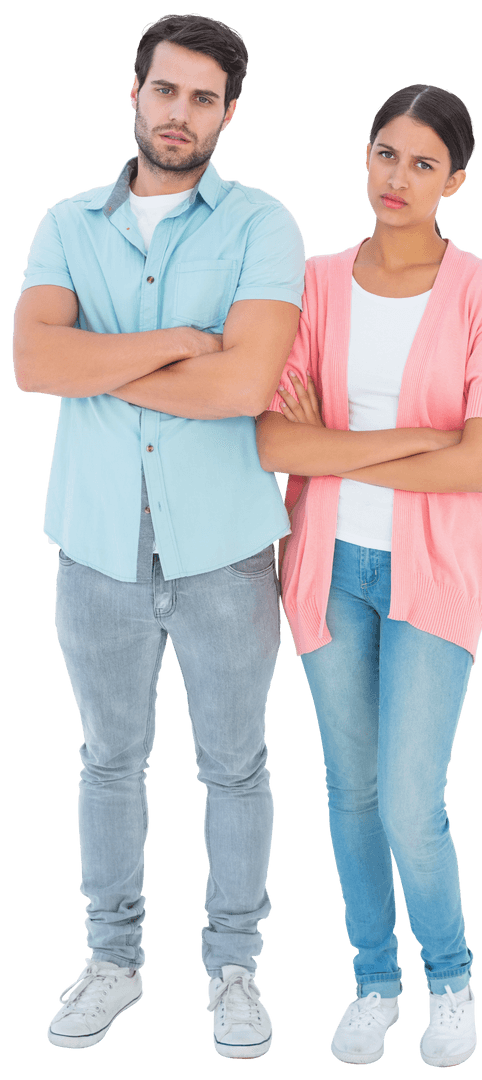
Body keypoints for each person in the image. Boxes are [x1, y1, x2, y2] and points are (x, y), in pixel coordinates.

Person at [13, 13, 305, 1057]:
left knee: (234, 768)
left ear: (228, 112)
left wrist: (109, 356)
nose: (180, 114)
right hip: (95, 549)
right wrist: (180, 343)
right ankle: (112, 961)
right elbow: (36, 365)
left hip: (226, 550)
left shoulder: (262, 225)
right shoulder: (64, 225)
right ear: (134, 92)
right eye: (165, 90)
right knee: (108, 761)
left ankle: (235, 969)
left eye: (203, 98)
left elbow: (243, 384)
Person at [256, 83, 482, 1068]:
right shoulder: (314, 282)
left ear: (455, 178)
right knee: (352, 793)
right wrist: (412, 438)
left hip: (437, 574)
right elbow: (277, 443)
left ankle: (450, 981)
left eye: (421, 162)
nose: (397, 177)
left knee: (414, 799)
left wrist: (341, 442)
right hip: (327, 566)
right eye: (384, 153)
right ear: (363, 157)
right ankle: (375, 980)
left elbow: (480, 464)